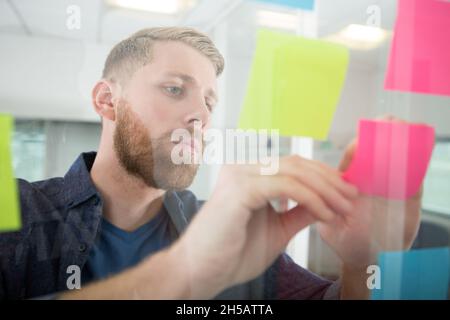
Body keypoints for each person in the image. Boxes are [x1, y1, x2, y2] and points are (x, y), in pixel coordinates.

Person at [0, 27, 422, 300]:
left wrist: (362, 261)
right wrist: (184, 272)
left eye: (209, 100)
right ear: (108, 100)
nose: (200, 115)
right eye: (173, 89)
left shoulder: (219, 222)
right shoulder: (15, 211)